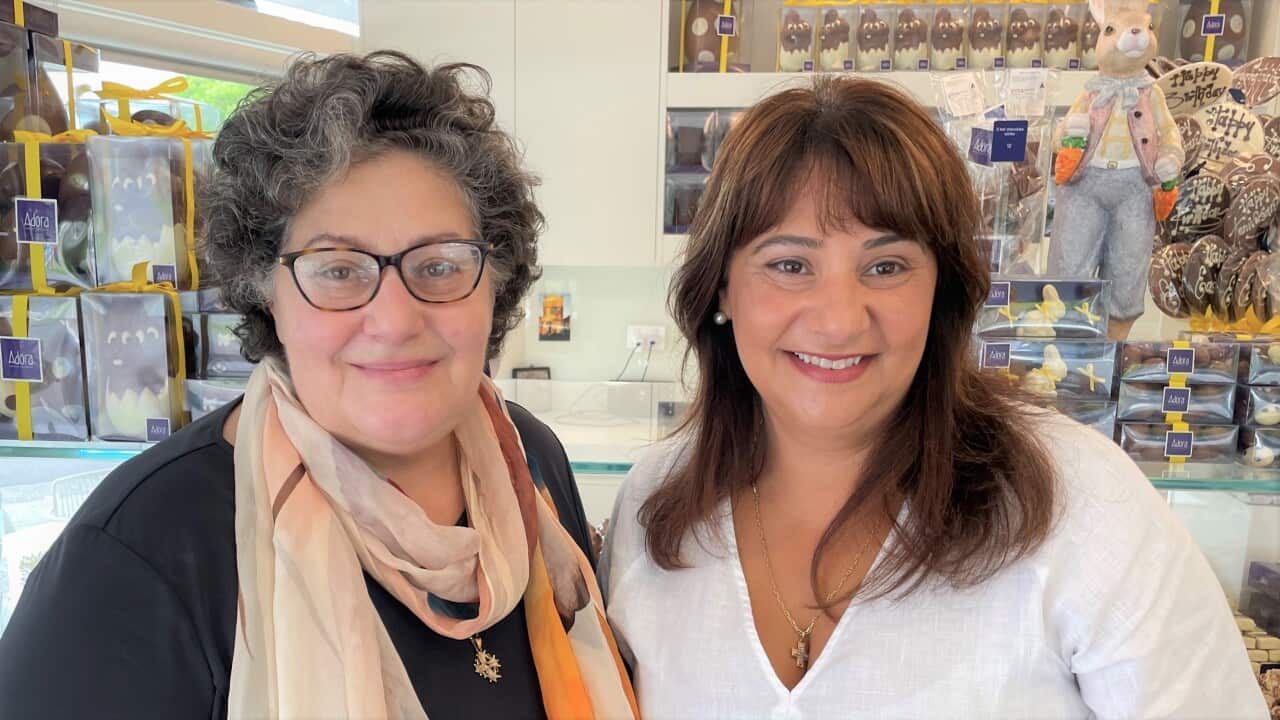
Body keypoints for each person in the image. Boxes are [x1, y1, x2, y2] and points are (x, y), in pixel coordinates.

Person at [600, 74, 1266, 718]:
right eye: (790, 265)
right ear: (721, 286)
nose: (839, 320)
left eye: (885, 266)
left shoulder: (1080, 505)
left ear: (941, 287)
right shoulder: (653, 512)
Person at [0, 52, 636, 720]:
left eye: (440, 265)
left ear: (495, 282)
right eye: (337, 270)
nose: (395, 320)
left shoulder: (530, 463)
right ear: (265, 291)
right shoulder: (140, 561)